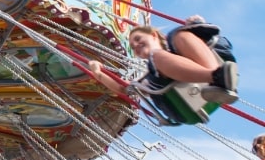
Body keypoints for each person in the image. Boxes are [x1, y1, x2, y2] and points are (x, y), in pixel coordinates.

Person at [88, 18, 238, 106]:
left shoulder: (175, 39)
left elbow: (222, 43)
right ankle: (218, 77)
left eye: (138, 39)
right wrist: (98, 73)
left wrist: (197, 25)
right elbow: (124, 89)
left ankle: (218, 78)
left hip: (211, 65)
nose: (137, 46)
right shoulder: (149, 74)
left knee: (178, 34)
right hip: (177, 99)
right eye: (133, 47)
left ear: (153, 35)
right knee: (157, 56)